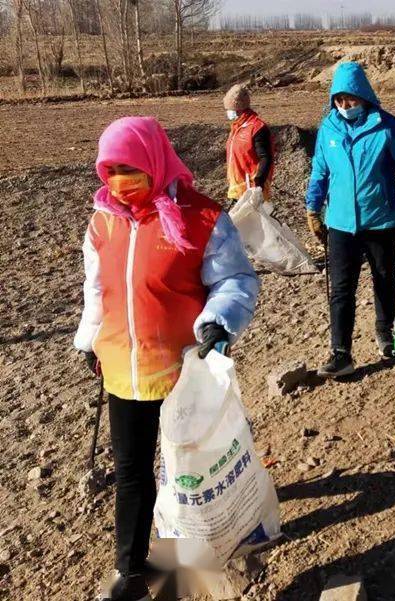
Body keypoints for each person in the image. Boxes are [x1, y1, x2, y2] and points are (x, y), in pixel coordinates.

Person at [74, 116, 260, 601]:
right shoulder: (103, 220)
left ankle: (189, 567)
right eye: (109, 169)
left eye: (129, 167)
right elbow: (98, 291)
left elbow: (235, 280)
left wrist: (219, 321)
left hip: (183, 370)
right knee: (132, 471)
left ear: (154, 161)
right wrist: (88, 341)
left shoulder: (201, 218)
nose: (119, 180)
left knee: (185, 470)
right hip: (122, 370)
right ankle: (130, 571)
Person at [305, 62, 395, 378]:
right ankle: (340, 353)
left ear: (364, 96)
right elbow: (320, 172)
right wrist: (312, 209)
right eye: (339, 100)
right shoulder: (328, 130)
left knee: (384, 279)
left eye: (351, 99)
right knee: (341, 288)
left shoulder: (387, 126)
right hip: (341, 224)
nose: (345, 106)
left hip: (382, 220)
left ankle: (385, 335)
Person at [223, 84, 275, 202]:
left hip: (252, 189)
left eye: (229, 109)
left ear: (238, 108)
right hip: (237, 188)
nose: (228, 112)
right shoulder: (237, 127)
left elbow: (265, 157)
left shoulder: (257, 127)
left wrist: (258, 183)